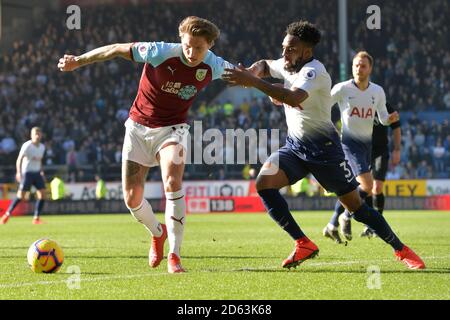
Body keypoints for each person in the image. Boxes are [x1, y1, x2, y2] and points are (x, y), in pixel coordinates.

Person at [222, 20, 425, 270]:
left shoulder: (315, 71)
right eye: (284, 47)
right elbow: (266, 65)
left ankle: (401, 249)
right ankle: (302, 243)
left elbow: (293, 97)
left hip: (325, 149)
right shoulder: (287, 63)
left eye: (291, 49)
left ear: (306, 52)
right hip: (296, 147)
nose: (285, 53)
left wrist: (254, 83)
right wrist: (253, 71)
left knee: (357, 208)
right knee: (264, 183)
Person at [57, 16, 234, 273]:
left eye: (199, 48)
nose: (192, 52)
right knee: (131, 198)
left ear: (210, 46)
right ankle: (157, 233)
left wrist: (277, 92)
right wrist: (78, 60)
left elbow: (246, 75)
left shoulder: (214, 65)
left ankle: (175, 256)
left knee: (172, 182)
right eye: (187, 45)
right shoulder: (159, 51)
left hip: (173, 130)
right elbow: (116, 49)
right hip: (138, 128)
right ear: (180, 39)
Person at [322, 51, 400, 242]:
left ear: (370, 69)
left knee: (351, 188)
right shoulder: (342, 88)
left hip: (368, 147)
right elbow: (323, 106)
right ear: (352, 67)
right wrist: (328, 129)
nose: (359, 68)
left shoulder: (377, 92)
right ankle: (346, 216)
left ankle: (334, 222)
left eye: (363, 65)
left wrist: (389, 119)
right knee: (368, 185)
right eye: (356, 65)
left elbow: (381, 117)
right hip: (349, 144)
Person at [359, 101, 401, 238]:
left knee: (377, 187)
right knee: (367, 188)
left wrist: (397, 149)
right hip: (364, 151)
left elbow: (396, 127)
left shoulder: (385, 106)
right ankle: (370, 225)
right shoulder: (359, 104)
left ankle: (379, 224)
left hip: (380, 152)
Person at [0, 127, 47, 224]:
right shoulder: (27, 145)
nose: (37, 136)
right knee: (21, 196)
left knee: (42, 194)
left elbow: (40, 160)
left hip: (37, 173)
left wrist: (42, 171)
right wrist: (18, 172)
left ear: (41, 135)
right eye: (35, 134)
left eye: (39, 134)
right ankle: (7, 215)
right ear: (31, 135)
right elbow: (19, 159)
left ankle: (36, 218)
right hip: (27, 173)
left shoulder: (42, 147)